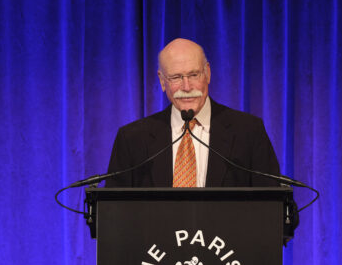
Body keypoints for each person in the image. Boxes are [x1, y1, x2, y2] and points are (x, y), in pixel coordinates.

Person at [105, 38, 280, 187]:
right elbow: (111, 215)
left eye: (194, 75)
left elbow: (275, 209)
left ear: (208, 73)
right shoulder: (132, 139)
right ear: (162, 81)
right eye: (176, 77)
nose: (186, 87)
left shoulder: (248, 132)